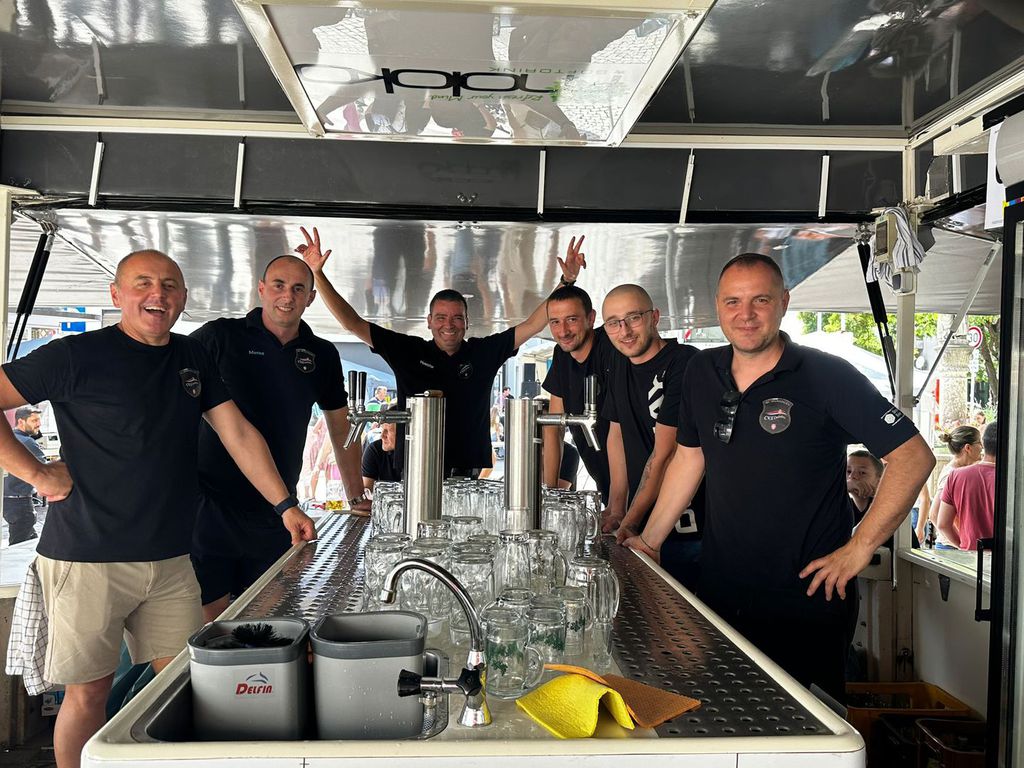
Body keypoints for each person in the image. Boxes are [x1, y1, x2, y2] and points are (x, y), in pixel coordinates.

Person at [0, 250, 315, 768]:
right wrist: (36, 473)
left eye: (170, 285)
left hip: (171, 558)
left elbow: (236, 433)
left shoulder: (192, 357)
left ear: (184, 298)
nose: (158, 295)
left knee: (185, 684)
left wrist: (285, 505)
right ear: (116, 294)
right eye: (143, 283)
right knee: (88, 694)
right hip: (87, 556)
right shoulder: (75, 355)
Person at [624, 253, 934, 701]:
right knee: (726, 711)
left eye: (761, 300)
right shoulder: (701, 372)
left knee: (807, 728)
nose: (745, 314)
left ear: (784, 302)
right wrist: (650, 542)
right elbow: (689, 459)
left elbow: (913, 456)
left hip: (806, 599)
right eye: (733, 302)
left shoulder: (825, 375)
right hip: (721, 592)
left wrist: (860, 546)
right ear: (717, 306)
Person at [297, 226, 585, 477]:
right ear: (429, 321)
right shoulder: (407, 351)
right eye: (441, 318)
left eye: (457, 318)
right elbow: (352, 323)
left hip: (467, 475)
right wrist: (317, 274)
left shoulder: (483, 352)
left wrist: (566, 282)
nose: (449, 325)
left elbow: (533, 324)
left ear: (467, 322)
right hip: (414, 469)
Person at [190, 254, 368, 622]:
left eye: (298, 289)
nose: (287, 296)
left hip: (278, 508)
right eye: (279, 285)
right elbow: (167, 395)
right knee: (211, 621)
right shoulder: (219, 337)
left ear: (310, 298)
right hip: (210, 506)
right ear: (261, 289)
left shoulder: (321, 354)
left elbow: (340, 427)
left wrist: (355, 496)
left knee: (266, 619)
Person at [600, 284, 702, 590]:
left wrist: (628, 521)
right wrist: (616, 508)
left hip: (688, 529)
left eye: (634, 318)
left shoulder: (685, 364)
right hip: (642, 526)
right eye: (614, 323)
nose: (625, 331)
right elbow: (616, 435)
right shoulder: (619, 362)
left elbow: (665, 454)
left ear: (654, 317)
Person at [541, 284, 615, 503]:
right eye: (555, 322)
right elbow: (554, 426)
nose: (563, 331)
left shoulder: (610, 349)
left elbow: (621, 429)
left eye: (572, 319)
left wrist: (619, 502)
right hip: (604, 479)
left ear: (591, 318)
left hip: (636, 479)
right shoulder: (561, 354)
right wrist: (550, 494)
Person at [916, 425, 982, 547]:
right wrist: (961, 544)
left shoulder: (962, 471)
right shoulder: (951, 474)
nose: (982, 447)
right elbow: (934, 514)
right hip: (950, 547)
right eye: (979, 443)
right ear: (968, 448)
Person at [937, 421, 997, 551]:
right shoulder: (1013, 479)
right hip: (1006, 559)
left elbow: (942, 524)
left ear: (985, 444)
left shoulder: (955, 476)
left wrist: (964, 546)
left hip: (970, 557)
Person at [3, 405, 45, 545]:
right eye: (34, 420)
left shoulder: (9, 439)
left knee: (28, 539)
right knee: (19, 545)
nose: (39, 424)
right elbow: (45, 471)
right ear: (21, 421)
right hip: (20, 503)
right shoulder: (28, 442)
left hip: (7, 501)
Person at [362, 417, 402, 491]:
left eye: (388, 431)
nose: (382, 436)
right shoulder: (374, 451)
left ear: (403, 432)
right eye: (382, 429)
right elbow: (367, 492)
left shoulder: (418, 454)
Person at [847, 449, 884, 526]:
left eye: (862, 472)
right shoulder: (843, 505)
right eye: (849, 471)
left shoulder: (886, 506)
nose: (852, 476)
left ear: (879, 480)